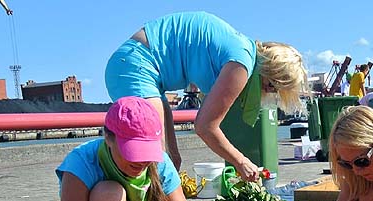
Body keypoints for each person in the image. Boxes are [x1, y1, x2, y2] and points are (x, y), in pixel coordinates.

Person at [105, 11, 307, 182]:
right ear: (269, 76)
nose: (267, 94)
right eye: (272, 89)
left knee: (172, 161)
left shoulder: (241, 48)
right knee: (157, 160)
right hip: (135, 66)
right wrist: (241, 161)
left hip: (140, 68)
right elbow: (205, 126)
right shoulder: (241, 64)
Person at [52, 97, 206, 201]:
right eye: (133, 151)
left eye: (147, 152)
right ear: (108, 138)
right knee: (109, 195)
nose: (141, 162)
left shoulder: (161, 163)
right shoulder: (81, 162)